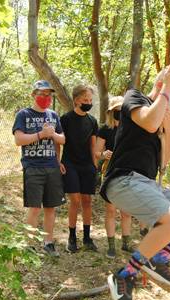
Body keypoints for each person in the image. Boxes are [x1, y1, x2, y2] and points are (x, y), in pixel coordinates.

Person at [100, 64, 170, 300]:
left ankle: (160, 258)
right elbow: (148, 122)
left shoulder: (167, 115)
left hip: (148, 183)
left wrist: (167, 129)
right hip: (124, 179)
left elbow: (164, 161)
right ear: (161, 84)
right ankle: (125, 275)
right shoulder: (135, 98)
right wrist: (166, 91)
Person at [12, 80, 66, 257]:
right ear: (33, 95)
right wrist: (41, 134)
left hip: (52, 167)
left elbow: (62, 140)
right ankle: (29, 245)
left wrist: (53, 138)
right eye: (42, 94)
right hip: (32, 167)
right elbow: (19, 140)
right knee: (34, 208)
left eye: (48, 94)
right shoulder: (23, 114)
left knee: (51, 207)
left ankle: (48, 243)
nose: (45, 97)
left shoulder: (53, 115)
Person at [58, 85, 99, 253]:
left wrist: (95, 166)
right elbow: (59, 141)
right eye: (85, 100)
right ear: (76, 100)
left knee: (87, 201)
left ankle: (87, 238)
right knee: (75, 200)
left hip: (87, 165)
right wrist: (58, 161)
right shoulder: (65, 119)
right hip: (70, 163)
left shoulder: (92, 121)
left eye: (90, 100)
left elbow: (93, 145)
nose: (88, 102)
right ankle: (72, 237)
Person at [94, 96, 134, 258]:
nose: (119, 113)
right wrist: (104, 154)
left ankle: (126, 243)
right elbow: (97, 152)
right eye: (116, 110)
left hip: (128, 171)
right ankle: (111, 246)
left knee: (127, 210)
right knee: (111, 210)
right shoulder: (105, 129)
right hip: (110, 172)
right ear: (111, 112)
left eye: (122, 110)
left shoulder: (132, 128)